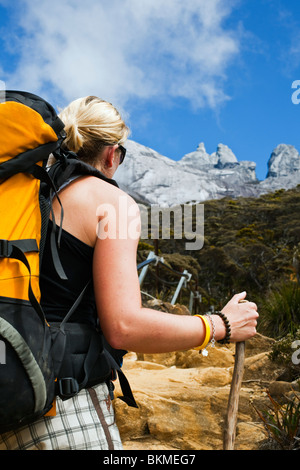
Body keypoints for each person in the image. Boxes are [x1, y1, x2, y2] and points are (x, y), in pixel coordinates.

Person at [0, 95, 259, 450]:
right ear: (111, 154)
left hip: (11, 389)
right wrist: (220, 325)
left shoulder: (22, 196)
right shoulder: (111, 203)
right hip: (64, 406)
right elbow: (124, 326)